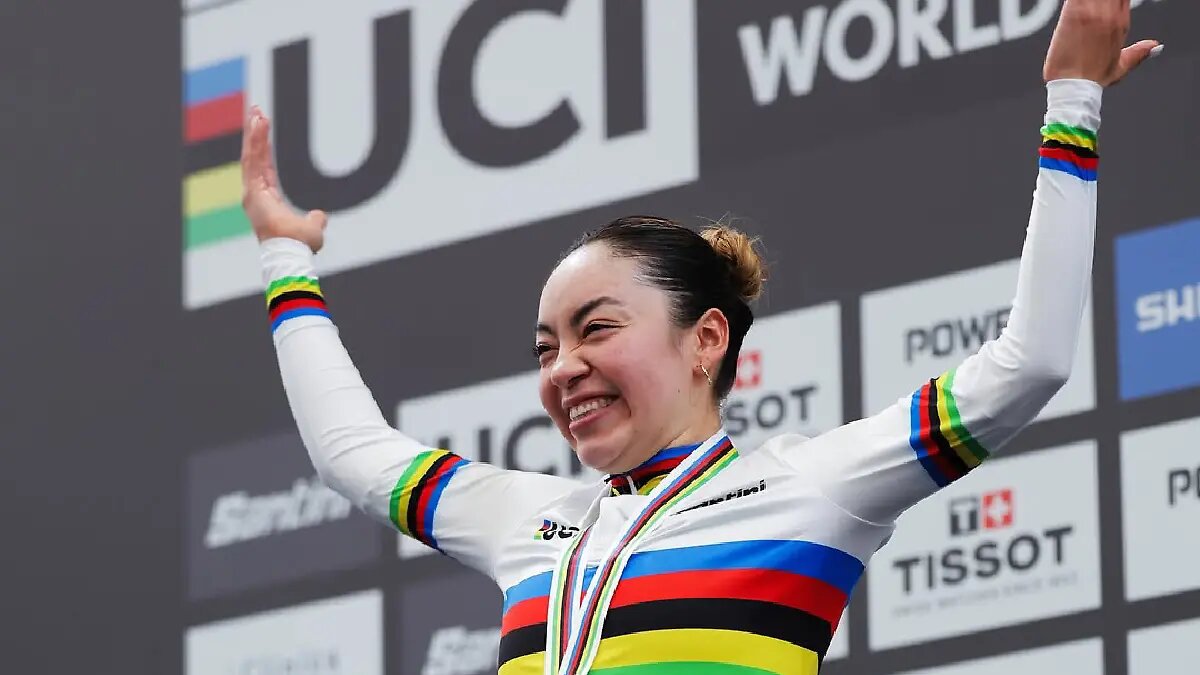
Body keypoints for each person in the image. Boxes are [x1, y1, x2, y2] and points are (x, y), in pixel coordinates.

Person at [242, 2, 1160, 673]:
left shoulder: (810, 490)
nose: (565, 368)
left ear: (706, 339)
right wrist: (286, 257)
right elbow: (351, 452)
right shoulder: (526, 519)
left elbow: (1030, 363)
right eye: (545, 347)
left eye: (597, 328)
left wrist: (1072, 102)